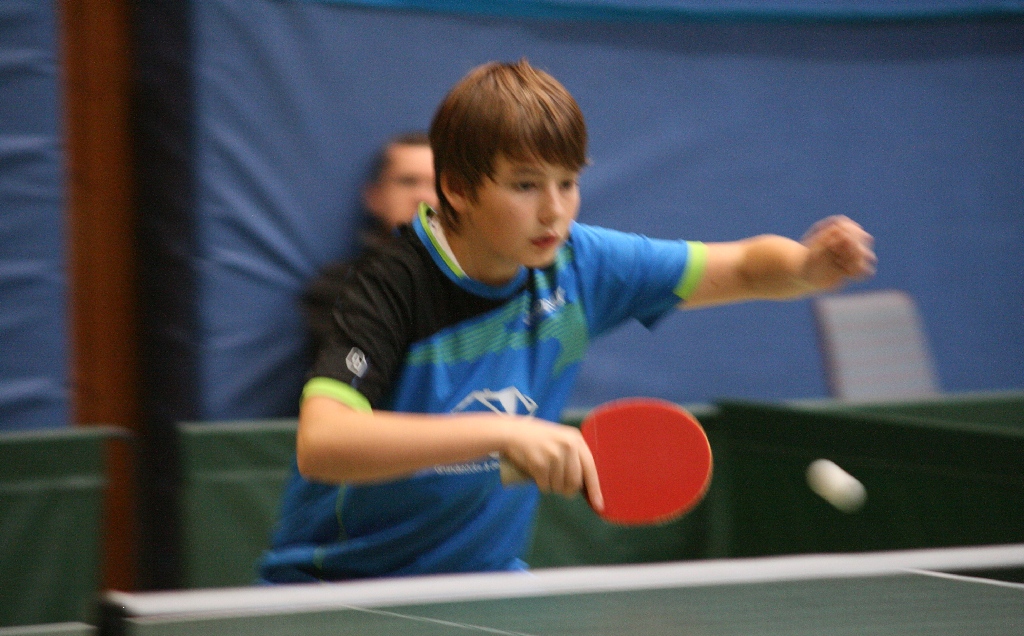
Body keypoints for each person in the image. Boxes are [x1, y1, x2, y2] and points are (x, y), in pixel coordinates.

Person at [260, 59, 876, 583]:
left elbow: (741, 267)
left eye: (568, 182)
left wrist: (805, 267)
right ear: (458, 189)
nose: (554, 210)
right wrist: (502, 433)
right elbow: (324, 444)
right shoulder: (388, 286)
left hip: (483, 589)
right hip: (338, 588)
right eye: (526, 185)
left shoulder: (580, 264)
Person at [302, 132, 437, 353]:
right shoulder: (339, 289)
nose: (424, 198)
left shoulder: (484, 284)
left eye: (437, 185)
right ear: (375, 197)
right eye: (408, 182)